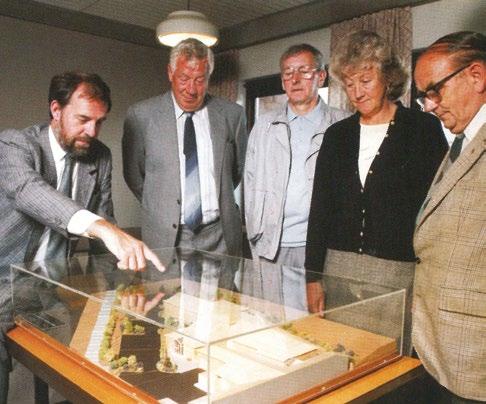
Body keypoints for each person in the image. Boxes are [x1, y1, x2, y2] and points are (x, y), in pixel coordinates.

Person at [0, 71, 163, 403]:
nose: (92, 131)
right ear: (56, 110)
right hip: (3, 283)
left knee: (87, 367)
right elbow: (30, 192)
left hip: (51, 289)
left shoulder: (100, 156)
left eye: (100, 122)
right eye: (83, 119)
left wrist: (128, 285)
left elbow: (107, 229)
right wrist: (102, 227)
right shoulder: (15, 144)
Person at [304, 31, 448, 353]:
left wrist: (427, 285)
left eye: (366, 80)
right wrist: (312, 277)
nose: (357, 92)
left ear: (387, 77)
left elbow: (437, 213)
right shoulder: (336, 136)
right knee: (338, 360)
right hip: (339, 271)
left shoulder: (422, 130)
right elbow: (320, 209)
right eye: (349, 83)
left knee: (389, 363)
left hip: (397, 274)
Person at [413, 31, 486, 403]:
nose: (429, 106)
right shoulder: (462, 140)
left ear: (476, 76)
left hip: (475, 357)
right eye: (424, 95)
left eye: (435, 91)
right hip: (443, 347)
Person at [123, 38, 247, 257]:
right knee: (164, 283)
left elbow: (235, 171)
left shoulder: (232, 115)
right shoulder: (141, 116)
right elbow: (135, 176)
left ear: (209, 77)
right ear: (170, 73)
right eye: (184, 78)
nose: (191, 89)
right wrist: (162, 207)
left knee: (226, 283)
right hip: (166, 236)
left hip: (220, 235)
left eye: (200, 80)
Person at [244, 44, 349, 269]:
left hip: (323, 245)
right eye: (288, 73)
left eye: (304, 71)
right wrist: (254, 230)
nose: (295, 79)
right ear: (282, 82)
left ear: (321, 77)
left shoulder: (343, 125)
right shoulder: (264, 125)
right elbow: (249, 183)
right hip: (270, 244)